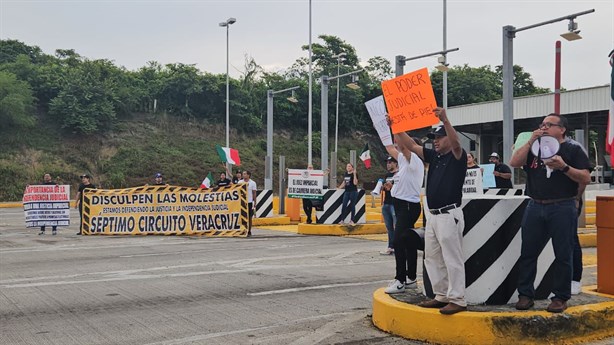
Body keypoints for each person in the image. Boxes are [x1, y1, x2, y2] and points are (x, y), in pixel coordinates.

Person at [510, 114, 591, 313]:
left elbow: (585, 177)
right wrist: (530, 141)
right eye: (542, 125)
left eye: (549, 125)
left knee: (563, 253)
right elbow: (514, 162)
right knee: (528, 252)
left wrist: (564, 167)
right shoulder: (535, 147)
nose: (544, 128)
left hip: (562, 205)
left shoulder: (573, 149)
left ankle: (560, 297)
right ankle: (525, 295)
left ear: (562, 129)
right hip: (535, 205)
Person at [395, 107, 468, 315]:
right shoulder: (434, 157)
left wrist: (445, 120)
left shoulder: (457, 156)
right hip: (433, 215)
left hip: (448, 214)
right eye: (434, 137)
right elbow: (410, 145)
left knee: (452, 258)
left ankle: (458, 298)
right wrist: (397, 127)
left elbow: (456, 144)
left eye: (439, 137)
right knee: (433, 257)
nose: (435, 140)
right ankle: (441, 295)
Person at [382, 136, 425, 295]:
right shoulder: (403, 164)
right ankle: (411, 278)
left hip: (407, 206)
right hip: (401, 205)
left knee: (398, 241)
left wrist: (397, 127)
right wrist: (384, 130)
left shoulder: (414, 160)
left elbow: (404, 147)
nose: (399, 148)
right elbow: (390, 148)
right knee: (408, 242)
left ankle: (400, 280)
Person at [379, 156, 398, 255]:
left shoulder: (398, 174)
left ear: (396, 163)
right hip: (386, 203)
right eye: (387, 163)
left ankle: (398, 246)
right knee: (389, 227)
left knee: (396, 226)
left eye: (390, 162)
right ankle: (391, 246)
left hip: (394, 203)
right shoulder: (387, 175)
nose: (388, 164)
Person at [240, 170, 258, 237]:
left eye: (245, 174)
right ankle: (243, 230)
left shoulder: (253, 183)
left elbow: (254, 193)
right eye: (243, 174)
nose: (243, 175)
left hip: (249, 202)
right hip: (242, 202)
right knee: (242, 217)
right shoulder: (240, 182)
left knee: (249, 217)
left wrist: (255, 202)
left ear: (248, 175)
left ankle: (249, 230)